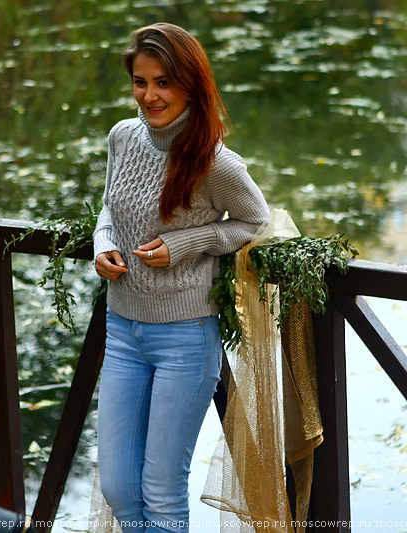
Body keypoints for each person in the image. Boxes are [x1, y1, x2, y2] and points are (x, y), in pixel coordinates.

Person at [92, 23, 269, 532]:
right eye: (140, 82)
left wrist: (186, 244)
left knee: (161, 492)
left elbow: (253, 221)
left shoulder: (217, 163)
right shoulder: (123, 137)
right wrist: (104, 245)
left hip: (185, 338)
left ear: (191, 83)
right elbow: (110, 208)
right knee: (118, 488)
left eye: (163, 82)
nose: (149, 95)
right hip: (123, 328)